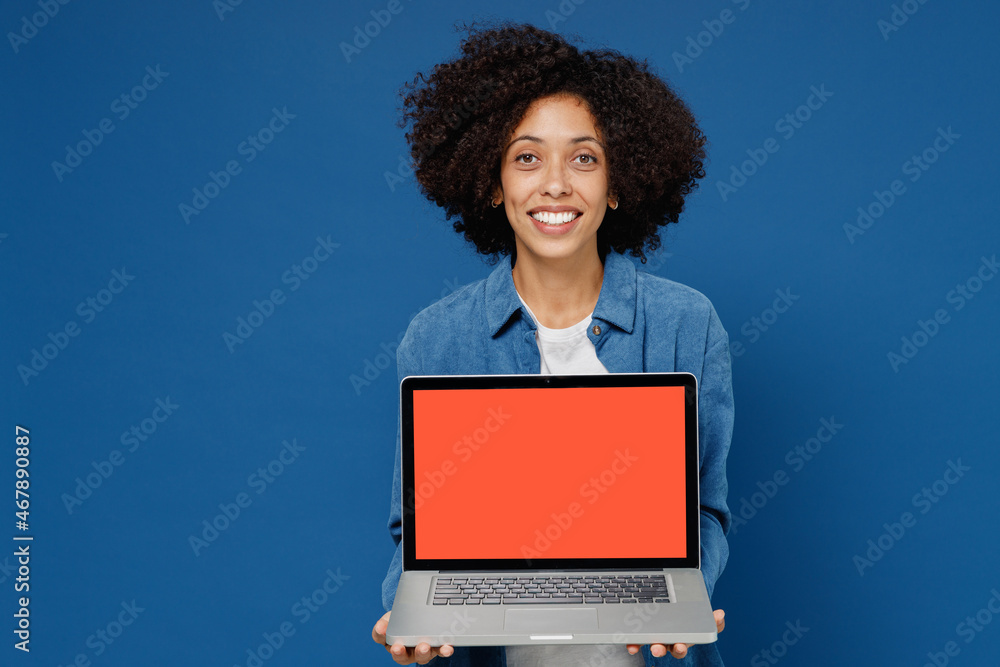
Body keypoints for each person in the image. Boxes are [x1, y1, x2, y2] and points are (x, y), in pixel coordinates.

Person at [371, 22, 733, 666]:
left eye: (585, 158)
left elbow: (704, 510)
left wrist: (688, 592)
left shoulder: (686, 322)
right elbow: (416, 530)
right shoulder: (436, 336)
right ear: (493, 182)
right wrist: (408, 606)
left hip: (637, 645)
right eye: (528, 157)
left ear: (618, 185)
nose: (556, 184)